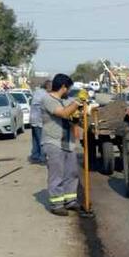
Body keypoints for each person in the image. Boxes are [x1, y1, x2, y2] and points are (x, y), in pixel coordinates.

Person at [40, 74, 88, 217]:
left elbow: (72, 114)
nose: (69, 91)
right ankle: (57, 204)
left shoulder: (65, 100)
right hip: (53, 142)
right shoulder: (48, 100)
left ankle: (70, 200)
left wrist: (79, 113)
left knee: (71, 172)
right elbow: (64, 113)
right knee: (57, 174)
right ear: (63, 87)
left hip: (68, 142)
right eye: (69, 88)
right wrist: (78, 101)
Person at [29, 80, 51, 163]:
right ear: (48, 86)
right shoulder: (45, 95)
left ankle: (35, 156)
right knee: (42, 140)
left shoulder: (37, 92)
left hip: (33, 119)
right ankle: (42, 158)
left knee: (35, 139)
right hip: (39, 120)